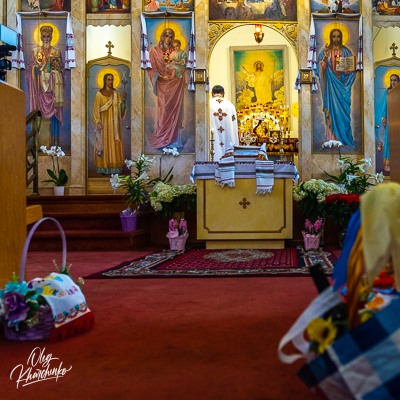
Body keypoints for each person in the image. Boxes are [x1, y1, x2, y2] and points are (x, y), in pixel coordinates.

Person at [315, 28, 356, 147]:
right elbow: (320, 69)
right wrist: (326, 57)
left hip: (343, 88)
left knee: (344, 115)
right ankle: (332, 141)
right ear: (330, 37)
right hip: (330, 87)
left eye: (338, 36)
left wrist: (348, 72)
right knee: (331, 113)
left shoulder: (347, 51)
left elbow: (352, 70)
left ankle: (344, 140)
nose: (336, 39)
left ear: (341, 37)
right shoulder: (325, 51)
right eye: (334, 36)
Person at [147, 28, 186, 149]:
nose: (169, 39)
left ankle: (173, 141)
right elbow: (151, 69)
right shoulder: (154, 51)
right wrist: (159, 77)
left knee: (175, 111)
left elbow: (183, 66)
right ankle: (162, 139)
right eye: (167, 36)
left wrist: (179, 72)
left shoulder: (175, 51)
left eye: (172, 37)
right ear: (162, 37)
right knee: (164, 111)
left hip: (175, 85)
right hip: (163, 85)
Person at [26, 25, 65, 147]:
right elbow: (28, 71)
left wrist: (55, 73)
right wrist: (36, 68)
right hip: (40, 92)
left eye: (48, 36)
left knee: (53, 117)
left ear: (52, 37)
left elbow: (62, 70)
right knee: (40, 117)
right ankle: (39, 146)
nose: (46, 39)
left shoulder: (57, 52)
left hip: (53, 91)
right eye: (44, 36)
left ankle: (54, 146)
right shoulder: (35, 52)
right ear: (41, 37)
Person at [92, 73, 127, 175]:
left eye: (112, 80)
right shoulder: (99, 94)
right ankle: (103, 168)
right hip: (104, 123)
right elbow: (95, 109)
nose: (110, 82)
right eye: (108, 80)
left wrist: (124, 101)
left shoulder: (116, 93)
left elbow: (121, 109)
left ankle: (115, 168)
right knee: (104, 143)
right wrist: (98, 121)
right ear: (104, 81)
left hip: (115, 124)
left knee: (114, 144)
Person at [209, 85, 239, 161]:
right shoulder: (230, 105)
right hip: (228, 140)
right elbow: (234, 127)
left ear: (212, 93)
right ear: (223, 94)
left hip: (212, 139)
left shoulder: (207, 104)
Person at [378, 73, 400, 174]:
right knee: (390, 142)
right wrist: (384, 117)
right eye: (391, 80)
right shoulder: (387, 92)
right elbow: (384, 107)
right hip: (390, 120)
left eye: (395, 80)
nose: (393, 82)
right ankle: (388, 167)